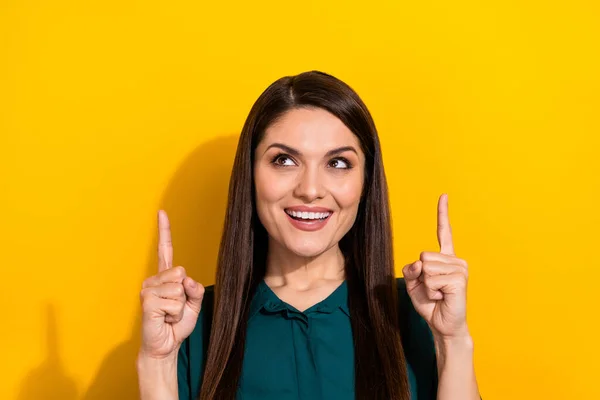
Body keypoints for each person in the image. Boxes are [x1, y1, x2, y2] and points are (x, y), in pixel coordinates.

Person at [136, 71, 481, 400]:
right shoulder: (189, 326)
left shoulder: (419, 313)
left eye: (338, 163)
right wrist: (157, 363)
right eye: (284, 160)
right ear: (250, 175)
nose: (310, 189)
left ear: (365, 183)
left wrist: (453, 340)